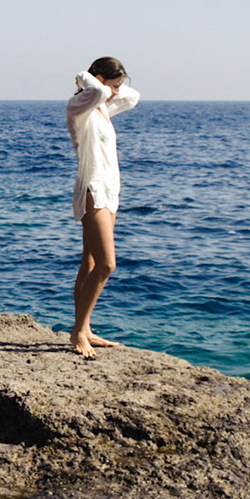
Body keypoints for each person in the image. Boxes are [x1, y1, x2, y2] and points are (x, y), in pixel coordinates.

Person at [66, 56, 139, 358]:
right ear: (97, 80)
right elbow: (95, 92)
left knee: (92, 264)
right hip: (93, 189)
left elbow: (134, 98)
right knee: (108, 265)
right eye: (114, 86)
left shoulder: (102, 108)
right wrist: (85, 77)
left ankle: (85, 327)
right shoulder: (79, 107)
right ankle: (78, 332)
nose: (117, 93)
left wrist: (113, 87)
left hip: (111, 191)